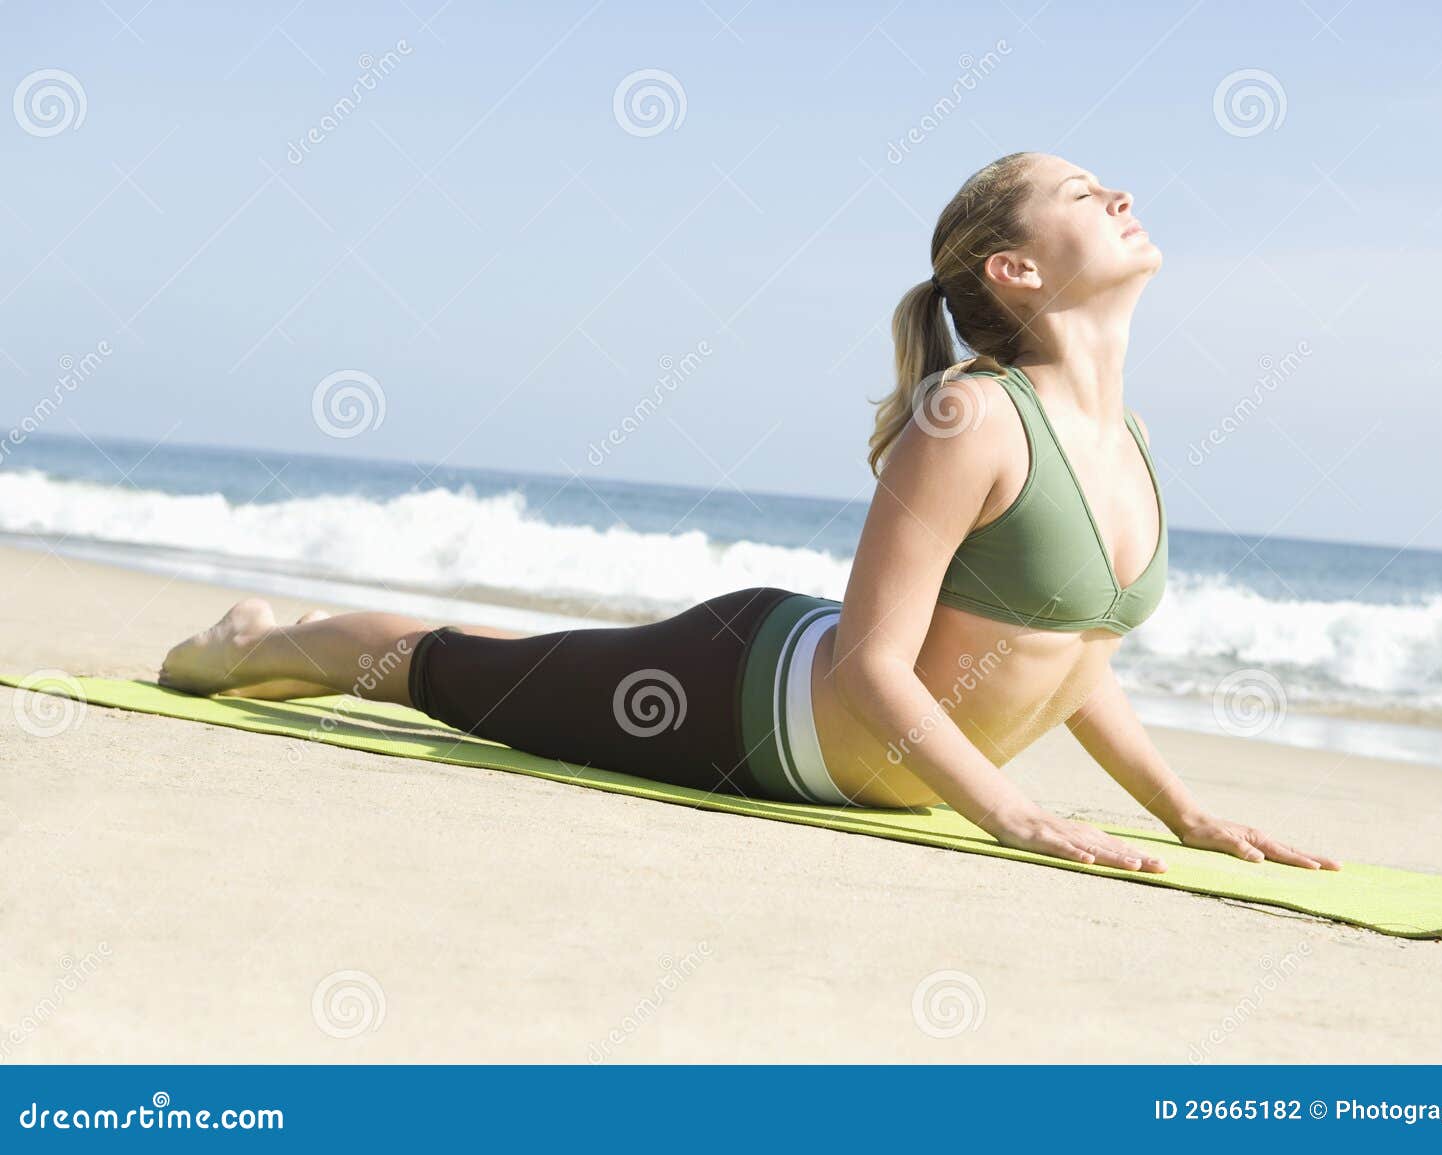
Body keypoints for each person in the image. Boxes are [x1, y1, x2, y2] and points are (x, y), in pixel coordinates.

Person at [160, 150, 1339, 876]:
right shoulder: (969, 421)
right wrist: (1013, 818)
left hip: (849, 738)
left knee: (513, 660)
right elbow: (879, 664)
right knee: (454, 674)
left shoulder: (1125, 442)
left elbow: (1071, 656)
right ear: (1013, 272)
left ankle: (271, 634)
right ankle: (249, 646)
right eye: (1084, 192)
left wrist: (1185, 813)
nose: (1123, 192)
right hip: (744, 701)